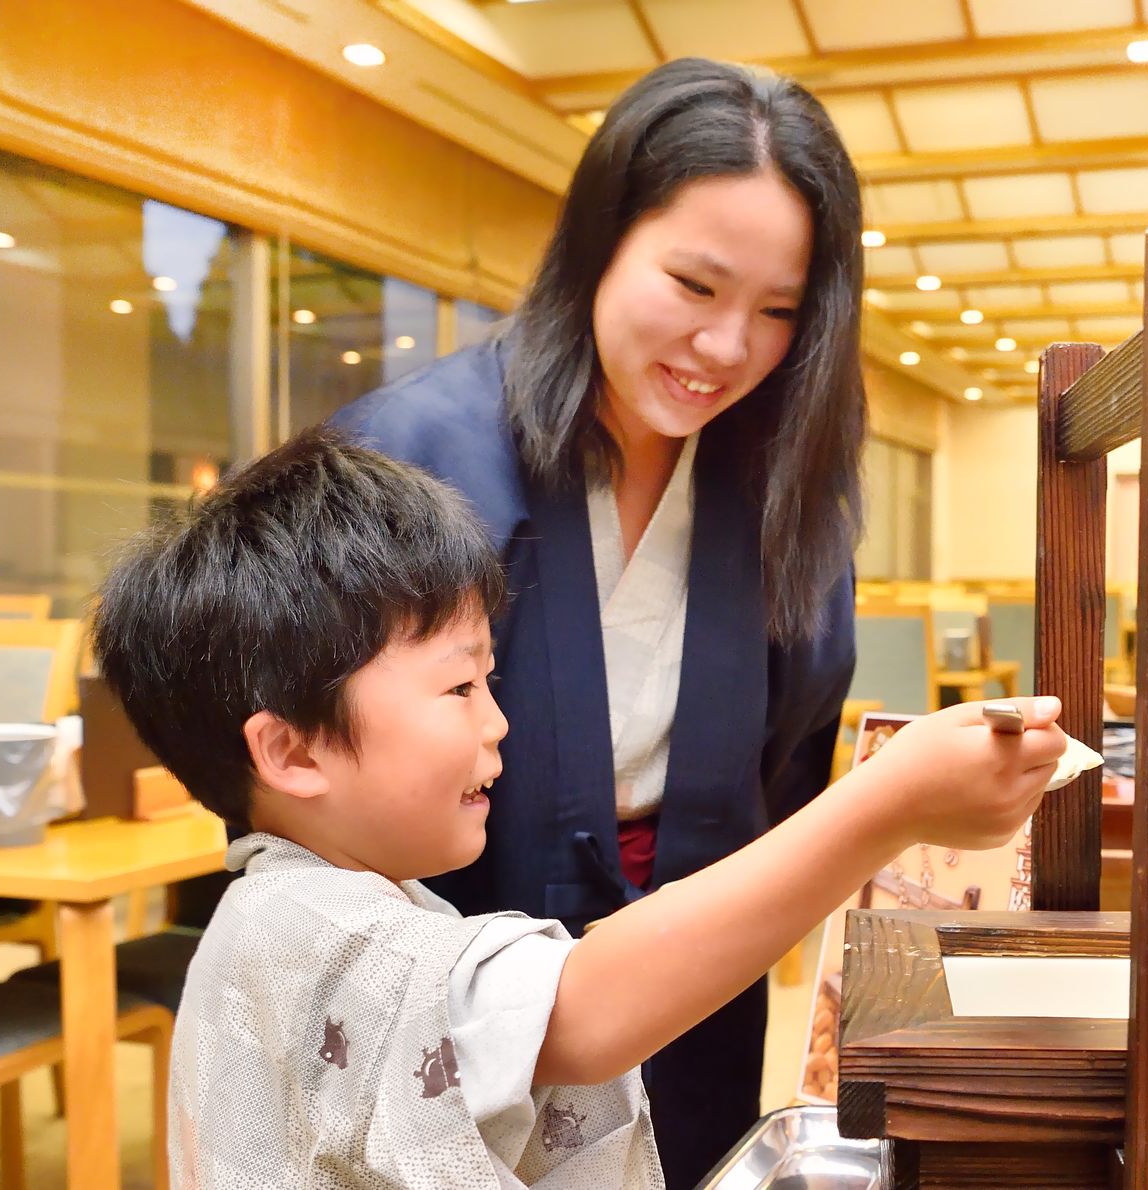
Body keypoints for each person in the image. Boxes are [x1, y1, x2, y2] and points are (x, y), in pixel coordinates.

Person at [91, 427, 1067, 1187]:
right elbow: (586, 1007)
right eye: (460, 688)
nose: (499, 723)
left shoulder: (316, 904)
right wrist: (885, 805)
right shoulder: (315, 927)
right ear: (293, 748)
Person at [332, 57, 867, 1183]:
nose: (726, 348)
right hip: (453, 963)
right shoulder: (413, 453)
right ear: (601, 241)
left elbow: (793, 751)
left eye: (778, 311)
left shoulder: (784, 479)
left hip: (693, 962)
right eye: (692, 283)